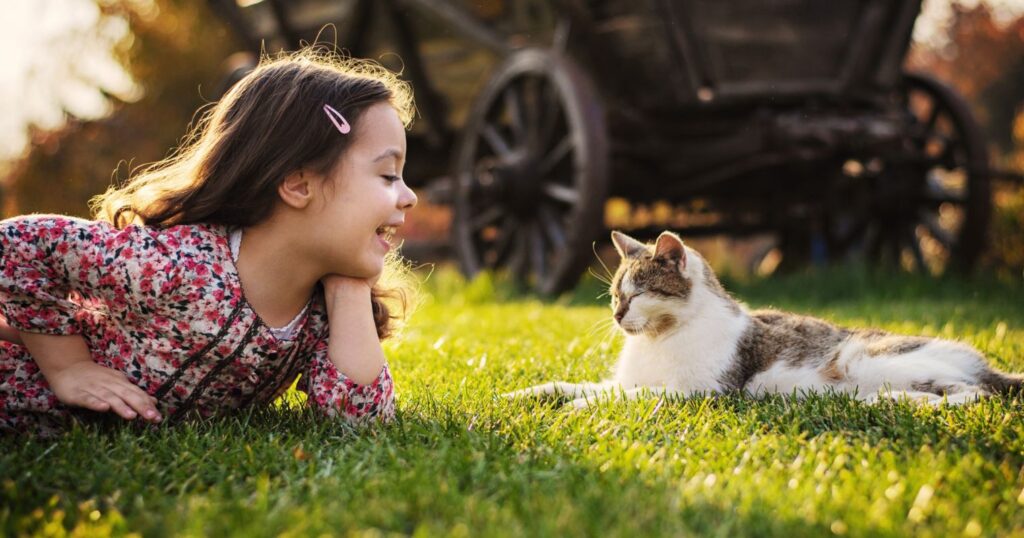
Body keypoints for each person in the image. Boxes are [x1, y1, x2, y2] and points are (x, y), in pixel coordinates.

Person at [0, 48, 418, 435]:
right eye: (387, 175)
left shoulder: (318, 314)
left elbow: (360, 420)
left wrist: (349, 285)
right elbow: (17, 243)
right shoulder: (180, 264)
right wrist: (68, 366)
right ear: (297, 184)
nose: (409, 196)